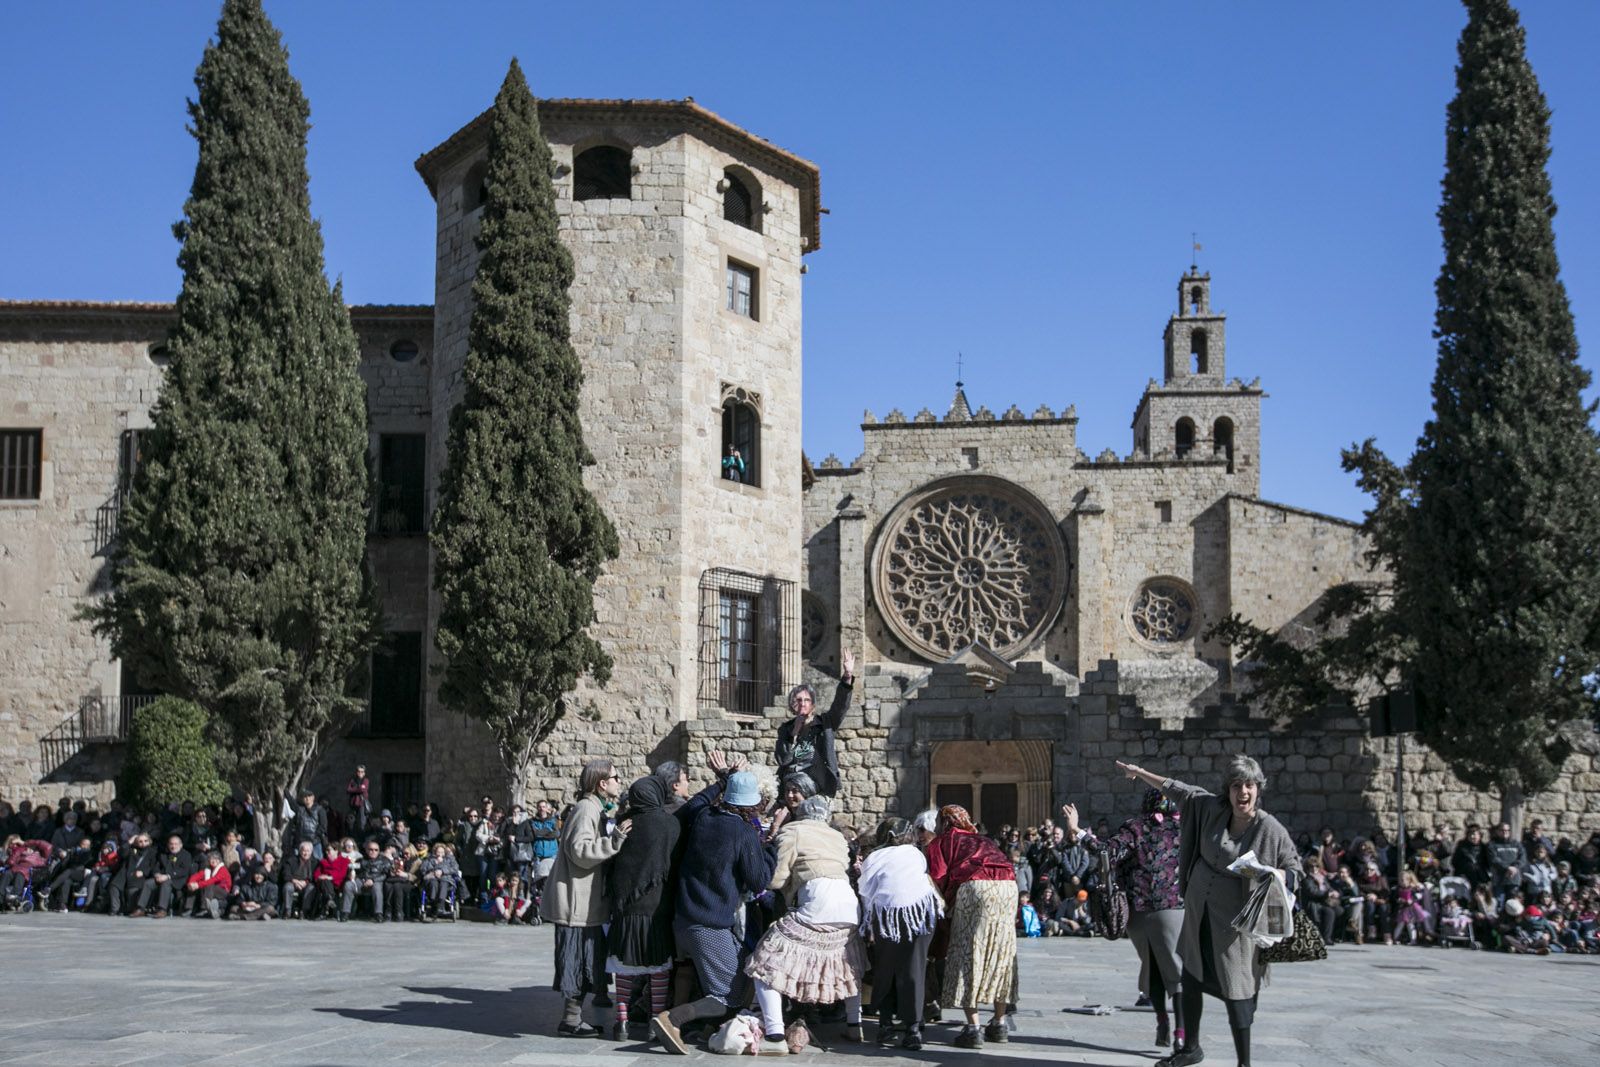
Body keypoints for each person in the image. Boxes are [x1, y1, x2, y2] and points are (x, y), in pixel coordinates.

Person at [1116, 756, 1302, 1067]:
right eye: (1236, 786)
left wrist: (1280, 875)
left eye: (1249, 786)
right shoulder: (1211, 809)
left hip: (1234, 927)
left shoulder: (1269, 828)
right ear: (1227, 790)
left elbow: (1295, 868)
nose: (1243, 792)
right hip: (1199, 914)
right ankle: (1191, 1048)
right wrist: (1139, 772)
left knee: (1238, 989)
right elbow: (1179, 790)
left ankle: (1244, 1062)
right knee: (1191, 979)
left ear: (1259, 789)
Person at [652, 755, 775, 1056]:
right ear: (751, 805)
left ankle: (709, 1027)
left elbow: (695, 802)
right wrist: (771, 847)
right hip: (708, 923)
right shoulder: (744, 832)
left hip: (684, 917)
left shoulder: (703, 816)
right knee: (729, 993)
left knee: (745, 968)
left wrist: (722, 779)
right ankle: (672, 1019)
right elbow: (759, 880)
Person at [1066, 787, 1186, 1050]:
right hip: (1173, 907)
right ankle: (1180, 1032)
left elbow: (1106, 851)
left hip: (1137, 910)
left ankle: (1162, 1020)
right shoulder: (1185, 830)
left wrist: (1078, 829)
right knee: (1175, 971)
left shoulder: (1136, 828)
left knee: (1152, 965)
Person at [746, 795, 867, 1051]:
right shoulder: (837, 836)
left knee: (765, 961)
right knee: (847, 963)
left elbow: (777, 879)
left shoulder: (793, 831)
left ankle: (775, 1034)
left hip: (817, 901)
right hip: (847, 902)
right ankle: (855, 1026)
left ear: (801, 813)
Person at [540, 758, 631, 1038]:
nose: (619, 781)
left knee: (586, 961)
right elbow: (579, 851)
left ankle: (574, 1018)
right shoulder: (586, 809)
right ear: (602, 783)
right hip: (575, 904)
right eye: (615, 777)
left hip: (586, 904)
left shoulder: (595, 808)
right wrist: (614, 840)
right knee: (575, 962)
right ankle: (570, 1020)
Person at [926, 804, 1019, 1050]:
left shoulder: (942, 841)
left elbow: (937, 875)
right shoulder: (984, 840)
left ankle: (973, 1028)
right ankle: (999, 1024)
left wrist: (946, 908)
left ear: (945, 822)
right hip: (1009, 886)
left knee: (969, 952)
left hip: (975, 887)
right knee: (1002, 953)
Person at [605, 774, 682, 1041]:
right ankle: (654, 1021)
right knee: (658, 967)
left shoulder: (624, 822)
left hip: (625, 905)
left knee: (624, 965)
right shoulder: (670, 824)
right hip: (657, 904)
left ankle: (621, 1023)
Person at [858, 816, 943, 1051]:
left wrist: (867, 926)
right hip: (922, 912)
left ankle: (886, 1024)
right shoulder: (916, 854)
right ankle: (913, 1028)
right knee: (914, 969)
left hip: (888, 916)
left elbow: (866, 890)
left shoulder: (874, 857)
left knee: (886, 968)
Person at [773, 648, 855, 798]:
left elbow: (840, 705)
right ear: (792, 705)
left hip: (818, 789)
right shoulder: (785, 730)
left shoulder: (825, 723)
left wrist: (847, 677)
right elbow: (783, 760)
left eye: (806, 700)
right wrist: (793, 734)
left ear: (813, 705)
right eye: (798, 700)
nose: (802, 704)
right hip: (790, 790)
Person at [183, 850, 232, 919]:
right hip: (212, 889)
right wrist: (191, 883)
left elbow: (213, 880)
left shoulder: (223, 870)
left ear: (219, 860)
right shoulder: (208, 870)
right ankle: (189, 908)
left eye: (215, 859)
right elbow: (197, 876)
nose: (213, 861)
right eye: (211, 859)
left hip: (223, 891)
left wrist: (198, 885)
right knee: (194, 886)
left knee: (208, 885)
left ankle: (204, 908)